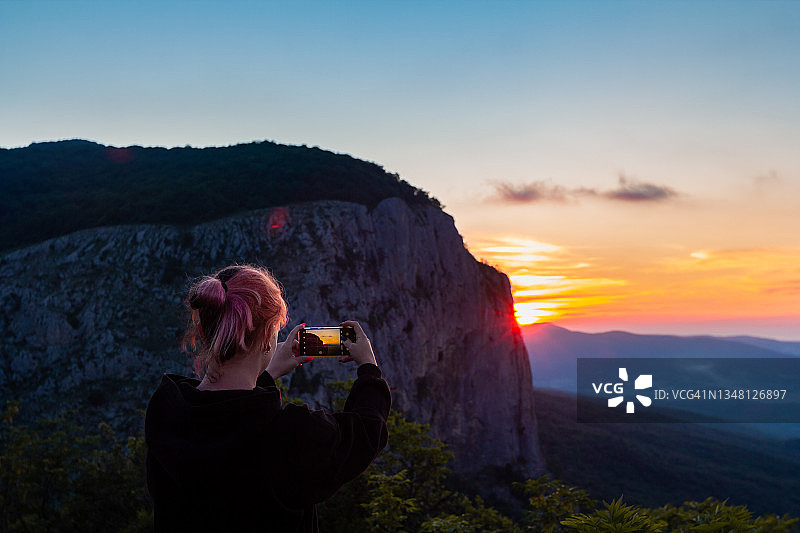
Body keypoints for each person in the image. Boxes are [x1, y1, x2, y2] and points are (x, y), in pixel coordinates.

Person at [145, 265, 391, 532]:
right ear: (266, 339)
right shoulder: (289, 436)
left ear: (204, 333)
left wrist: (266, 374)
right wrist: (369, 370)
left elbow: (228, 419)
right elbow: (365, 432)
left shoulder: (166, 416)